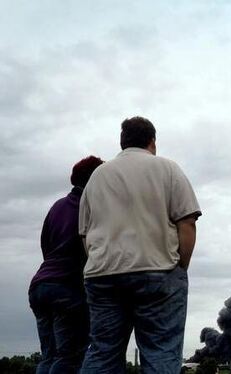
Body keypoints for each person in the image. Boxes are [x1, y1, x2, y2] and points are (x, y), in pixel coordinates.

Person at [79, 117, 201, 374]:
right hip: (158, 271)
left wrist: (103, 261)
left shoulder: (97, 177)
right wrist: (181, 266)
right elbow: (187, 222)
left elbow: (85, 235)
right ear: (152, 142)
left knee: (103, 352)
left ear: (122, 143)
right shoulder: (168, 169)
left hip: (103, 276)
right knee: (160, 352)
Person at [29, 155, 104, 374]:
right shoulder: (90, 207)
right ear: (94, 180)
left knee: (49, 356)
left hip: (40, 285)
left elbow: (45, 246)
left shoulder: (57, 206)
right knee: (70, 357)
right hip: (67, 288)